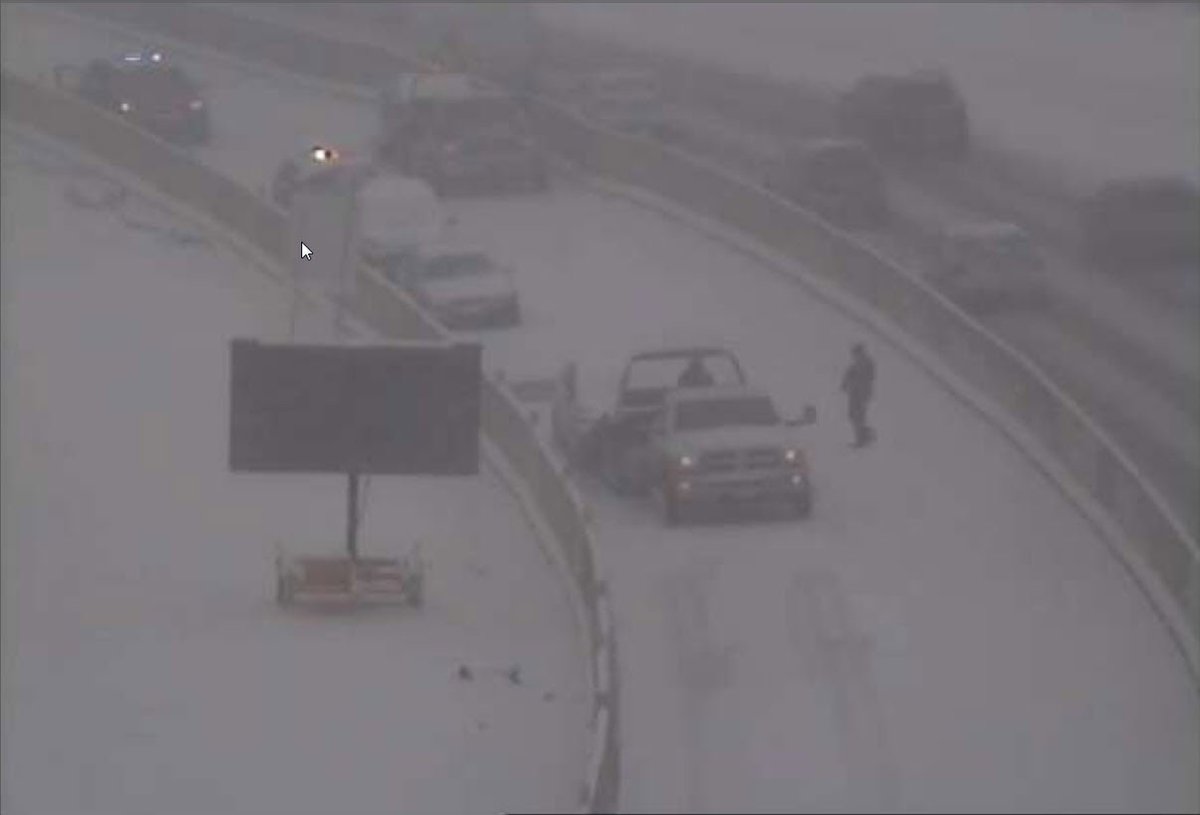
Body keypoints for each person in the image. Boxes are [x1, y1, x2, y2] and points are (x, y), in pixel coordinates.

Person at [841, 343, 876, 447]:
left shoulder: (868, 363)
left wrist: (852, 381)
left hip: (862, 394)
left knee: (858, 415)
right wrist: (845, 384)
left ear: (860, 353)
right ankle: (866, 435)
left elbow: (869, 378)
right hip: (854, 393)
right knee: (852, 415)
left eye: (855, 354)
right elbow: (848, 374)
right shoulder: (855, 365)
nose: (854, 356)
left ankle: (862, 439)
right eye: (853, 354)